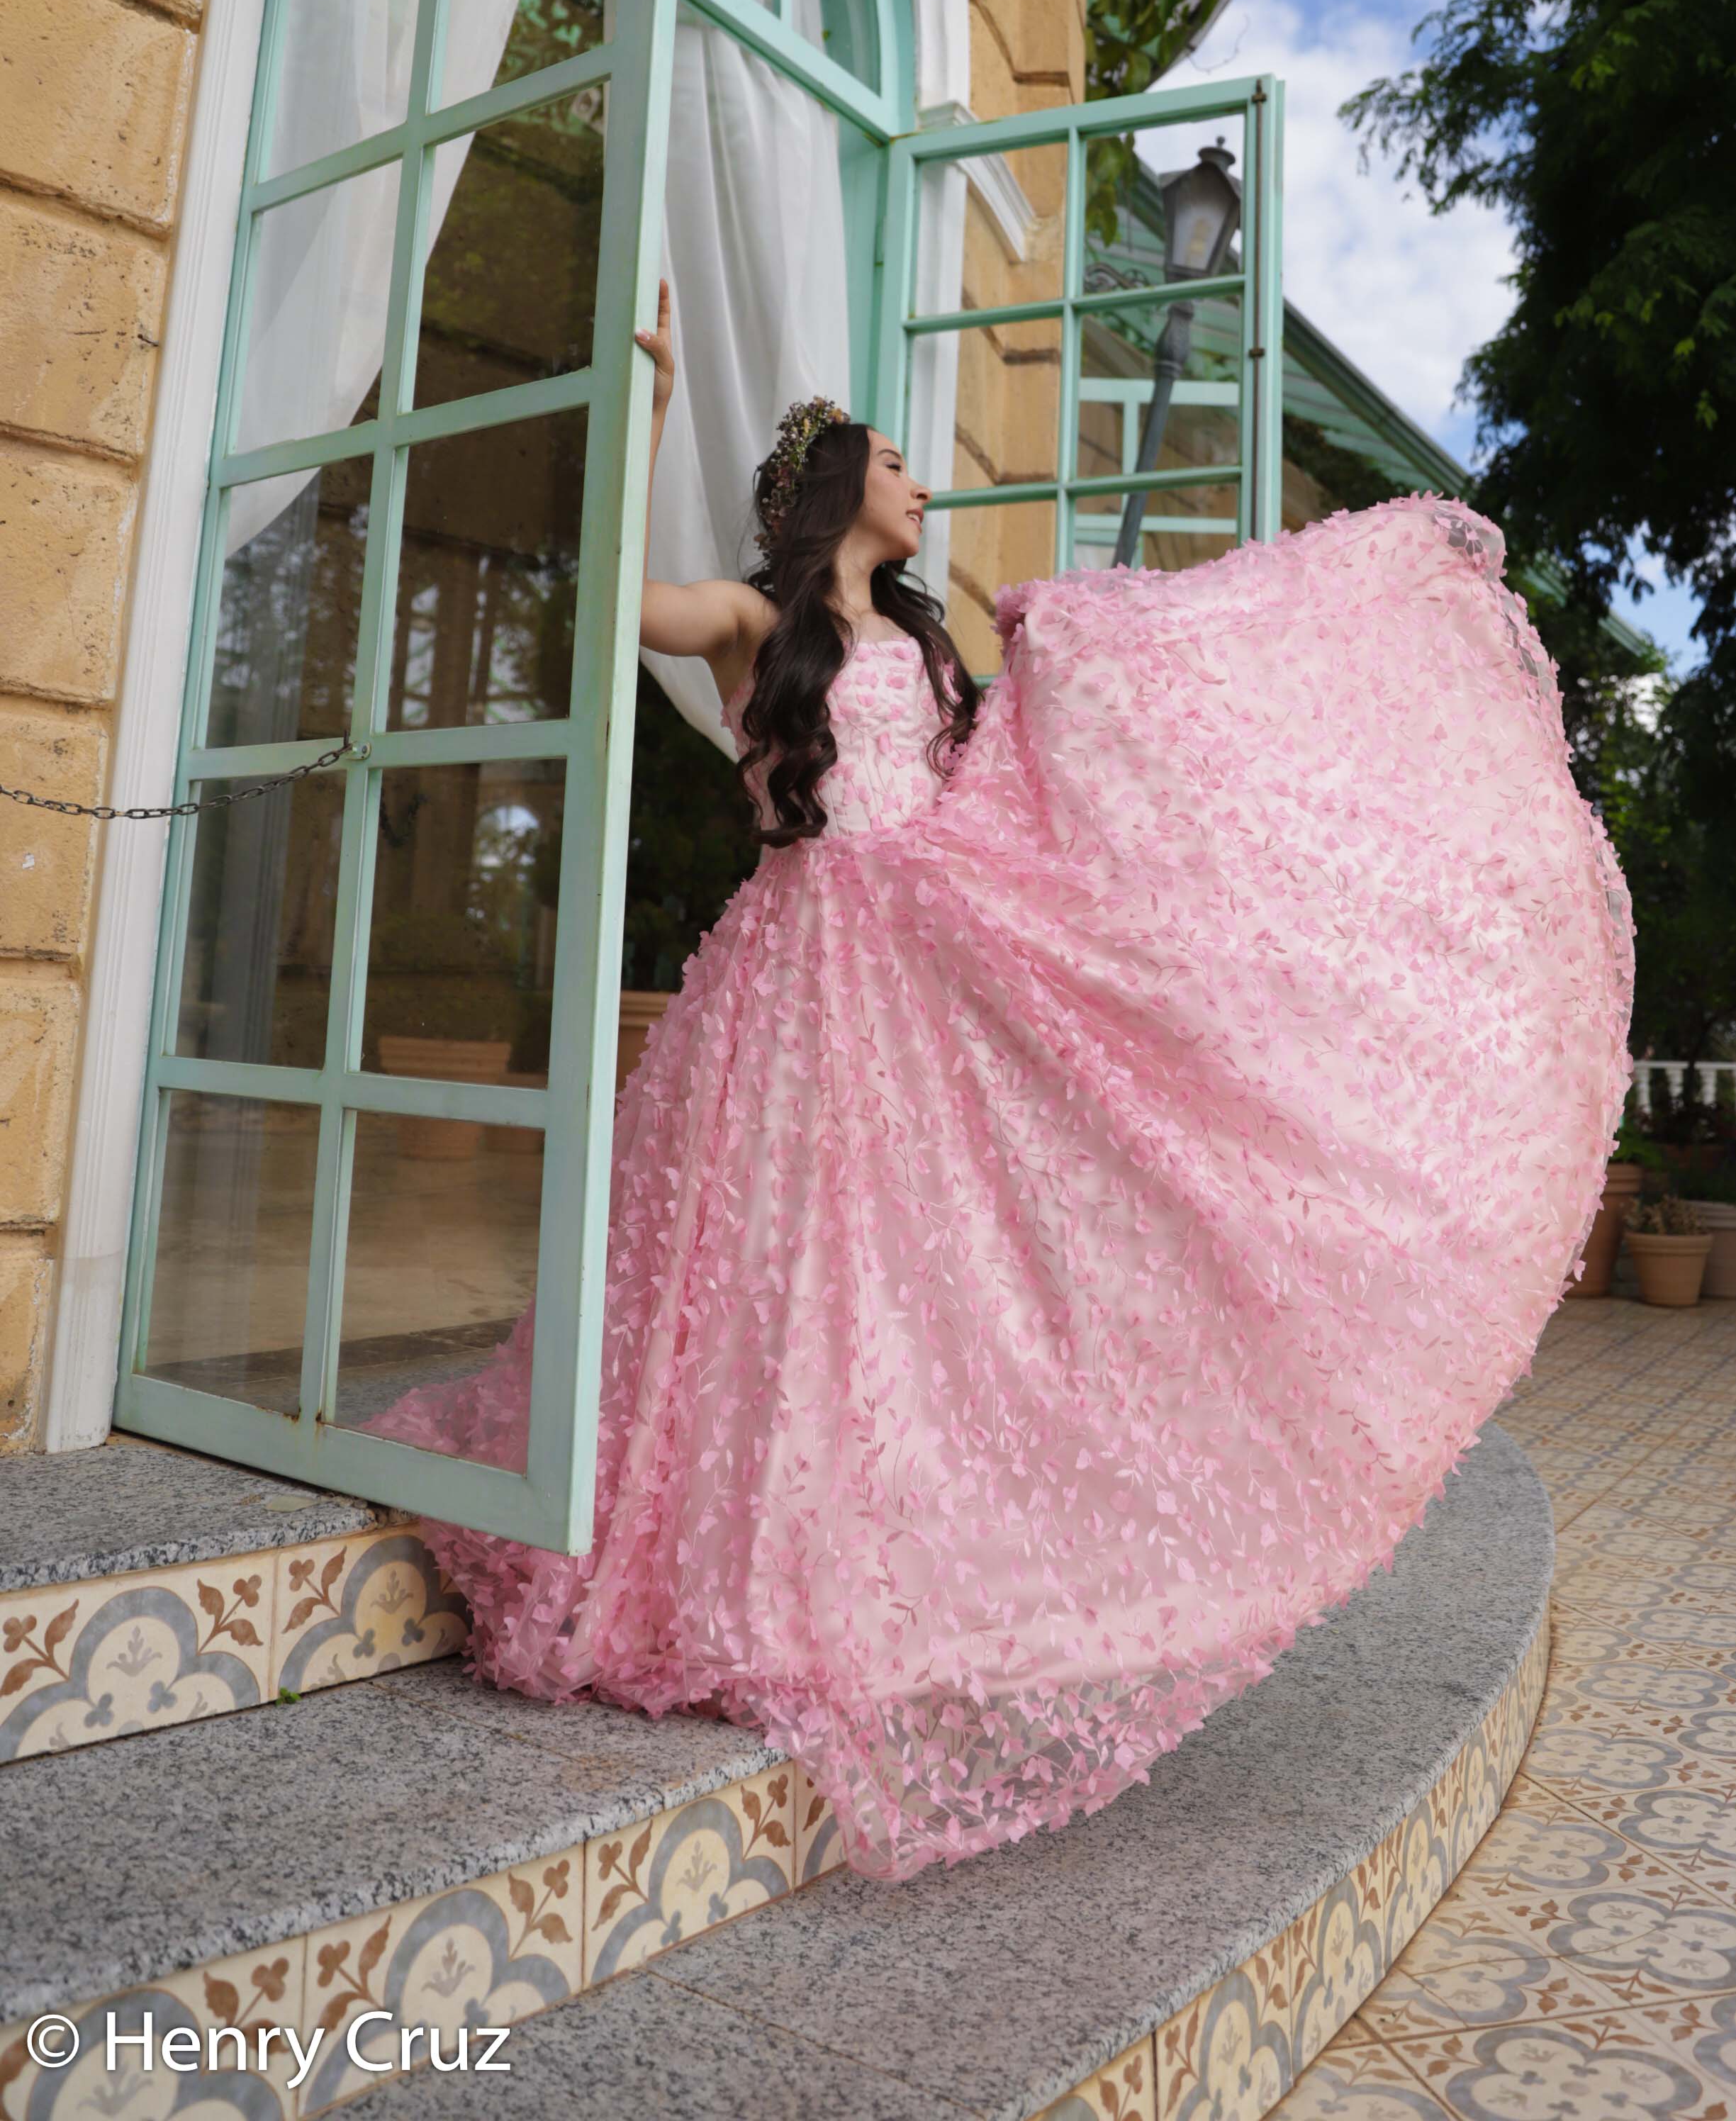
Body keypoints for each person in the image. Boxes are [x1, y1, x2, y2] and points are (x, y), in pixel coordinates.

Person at [376, 276, 1633, 1883]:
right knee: (767, 1276)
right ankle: (731, 1569)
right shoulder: (763, 626)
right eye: (898, 463)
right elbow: (621, 601)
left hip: (929, 976)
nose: (923, 486)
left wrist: (1074, 663)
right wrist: (649, 399)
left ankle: (876, 1567)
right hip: (795, 977)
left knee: (917, 1283)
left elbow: (1010, 792)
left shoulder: (930, 646)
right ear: (837, 487)